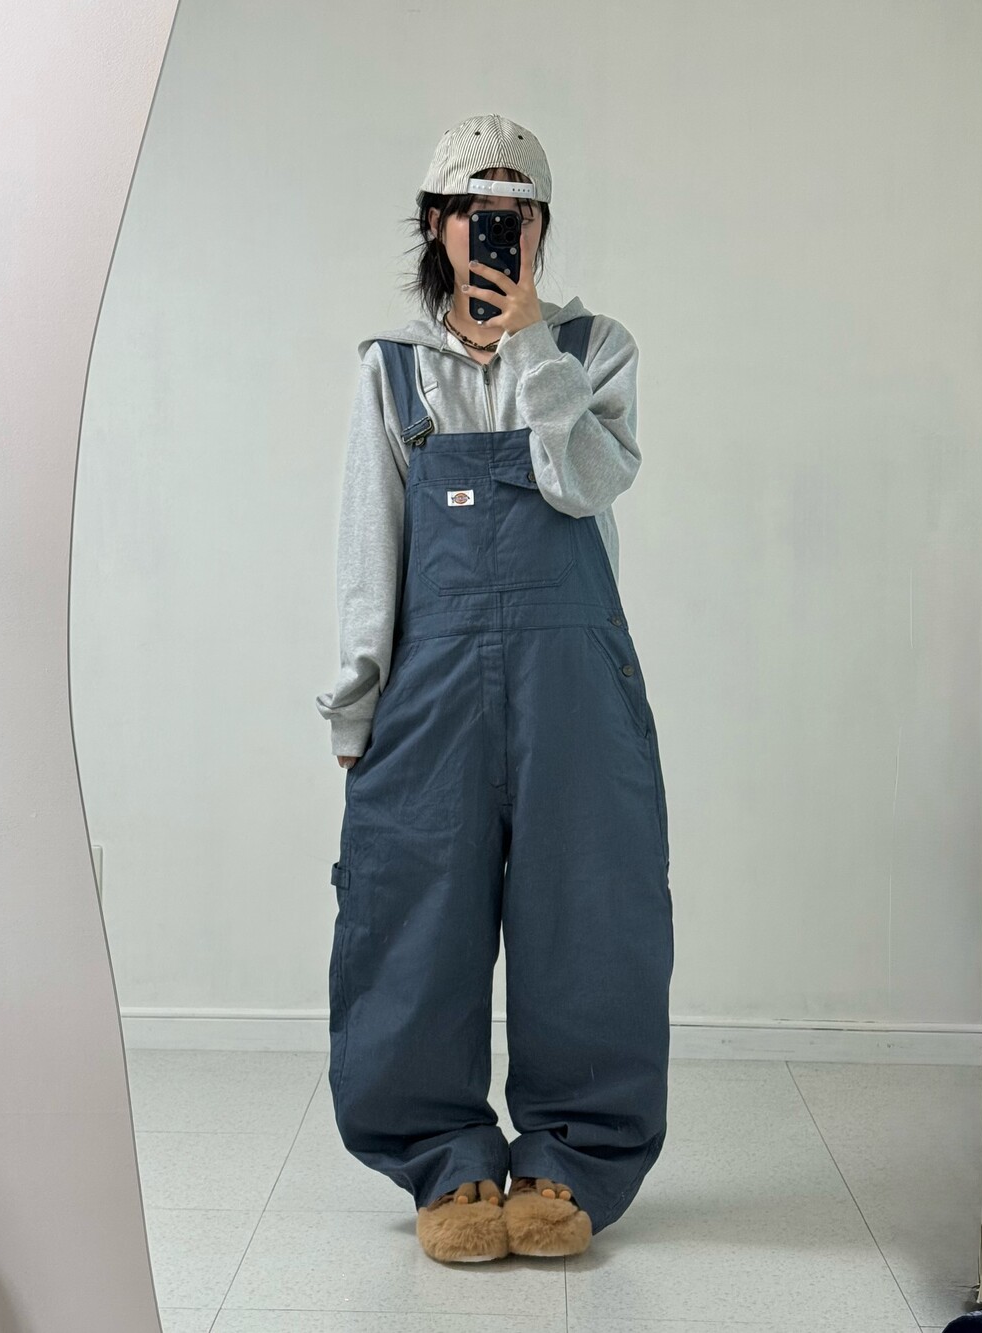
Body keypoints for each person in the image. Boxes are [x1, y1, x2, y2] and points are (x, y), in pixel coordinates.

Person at [315, 113, 674, 1263]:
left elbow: (587, 482)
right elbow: (367, 543)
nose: (496, 233)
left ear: (540, 226)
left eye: (516, 215)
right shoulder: (392, 369)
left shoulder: (594, 348)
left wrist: (531, 350)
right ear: (438, 224)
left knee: (592, 910)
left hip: (574, 680)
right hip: (430, 682)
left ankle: (570, 1157)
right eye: (478, 212)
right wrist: (355, 700)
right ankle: (444, 1158)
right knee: (412, 911)